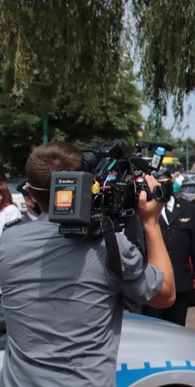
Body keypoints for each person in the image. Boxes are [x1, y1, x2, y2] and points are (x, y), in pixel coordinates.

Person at [0, 141, 175, 386]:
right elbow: (164, 294)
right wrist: (151, 223)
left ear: (30, 191)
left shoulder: (7, 243)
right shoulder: (108, 245)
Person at [142, 170, 195, 326]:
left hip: (180, 280)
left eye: (167, 183)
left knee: (177, 325)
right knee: (153, 325)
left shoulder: (186, 208)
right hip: (152, 280)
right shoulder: (145, 209)